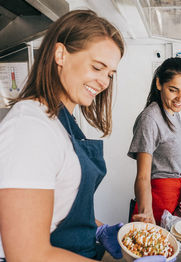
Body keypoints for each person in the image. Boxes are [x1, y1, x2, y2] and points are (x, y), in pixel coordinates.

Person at [0, 10, 125, 261]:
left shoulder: (62, 121)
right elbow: (26, 254)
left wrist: (97, 227)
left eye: (110, 74)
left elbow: (60, 207)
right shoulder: (30, 127)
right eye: (97, 67)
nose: (104, 82)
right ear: (60, 54)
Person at [128, 57, 181, 225]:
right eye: (173, 90)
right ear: (159, 83)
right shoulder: (150, 119)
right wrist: (147, 214)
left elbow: (174, 157)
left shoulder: (174, 114)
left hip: (173, 197)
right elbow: (143, 176)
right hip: (156, 201)